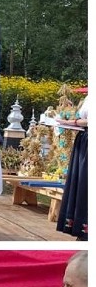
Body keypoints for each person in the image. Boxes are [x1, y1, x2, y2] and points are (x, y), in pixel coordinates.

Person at [55, 93, 88, 240]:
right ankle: (81, 229)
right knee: (81, 183)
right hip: (84, 140)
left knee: (86, 183)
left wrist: (71, 122)